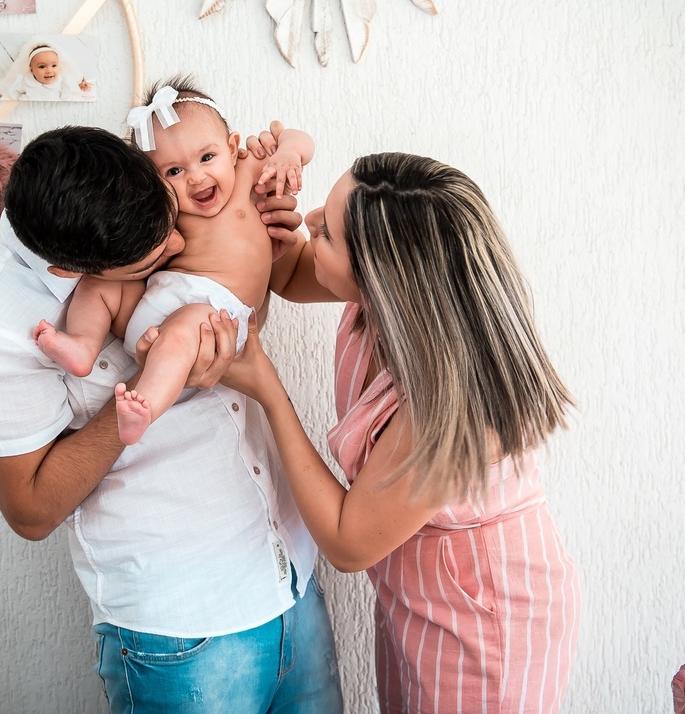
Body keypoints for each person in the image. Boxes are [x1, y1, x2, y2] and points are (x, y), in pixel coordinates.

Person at [0, 125, 343, 713]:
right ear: (76, 270)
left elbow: (253, 281)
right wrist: (155, 383)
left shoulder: (127, 182)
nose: (176, 245)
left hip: (288, 574)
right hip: (183, 629)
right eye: (157, 254)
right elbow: (30, 510)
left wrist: (265, 242)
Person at [222, 151, 581, 714]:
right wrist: (257, 208)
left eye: (329, 234)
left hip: (485, 607)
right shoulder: (388, 306)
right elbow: (291, 271)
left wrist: (266, 387)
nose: (311, 221)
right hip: (416, 587)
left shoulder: (458, 398)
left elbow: (348, 542)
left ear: (382, 275)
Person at [33, 80, 310, 444]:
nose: (195, 177)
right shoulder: (162, 208)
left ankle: (145, 407)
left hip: (212, 314)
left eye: (207, 158)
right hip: (154, 301)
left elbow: (298, 138)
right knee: (99, 284)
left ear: (232, 148)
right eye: (173, 172)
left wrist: (288, 151)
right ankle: (83, 343)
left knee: (181, 331)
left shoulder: (253, 171)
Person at [0, 43, 93, 102]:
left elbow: (72, 97)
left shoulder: (62, 82)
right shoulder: (25, 82)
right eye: (42, 66)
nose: (49, 71)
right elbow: (11, 96)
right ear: (32, 70)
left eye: (54, 66)